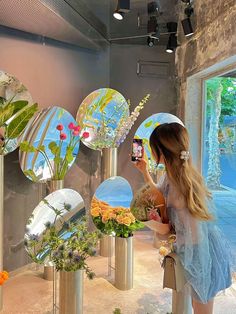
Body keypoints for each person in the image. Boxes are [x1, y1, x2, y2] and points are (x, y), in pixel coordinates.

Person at [134, 122, 232, 314]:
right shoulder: (174, 176)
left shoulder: (180, 187)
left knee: (201, 306)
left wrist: (168, 235)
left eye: (152, 147)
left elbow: (196, 236)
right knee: (198, 304)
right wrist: (144, 171)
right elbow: (160, 194)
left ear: (161, 151)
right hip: (197, 251)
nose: (151, 152)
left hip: (201, 254)